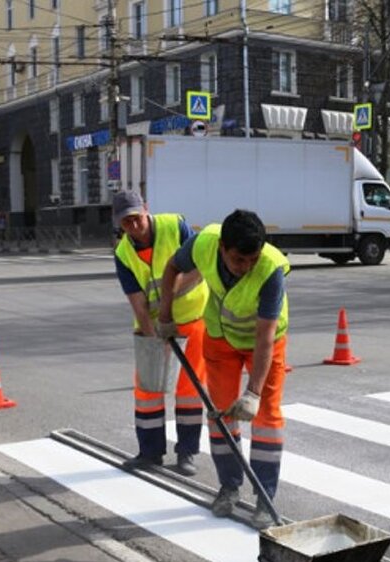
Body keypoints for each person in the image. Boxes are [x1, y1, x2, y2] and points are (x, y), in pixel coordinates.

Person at [157, 209, 290, 530]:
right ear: (222, 249)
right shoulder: (204, 244)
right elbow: (173, 266)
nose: (245, 268)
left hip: (264, 343)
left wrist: (253, 392)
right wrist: (165, 316)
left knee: (267, 417)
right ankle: (229, 487)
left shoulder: (271, 269)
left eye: (251, 260)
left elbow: (264, 338)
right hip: (219, 337)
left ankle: (264, 497)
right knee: (220, 415)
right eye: (237, 260)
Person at [112, 190, 207, 476]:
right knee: (147, 391)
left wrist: (170, 291)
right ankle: (150, 453)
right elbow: (139, 305)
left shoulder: (174, 227)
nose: (133, 226)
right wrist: (156, 339)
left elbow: (201, 265)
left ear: (146, 209)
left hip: (191, 320)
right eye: (125, 222)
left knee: (189, 390)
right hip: (151, 327)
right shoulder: (123, 253)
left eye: (136, 218)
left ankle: (187, 453)